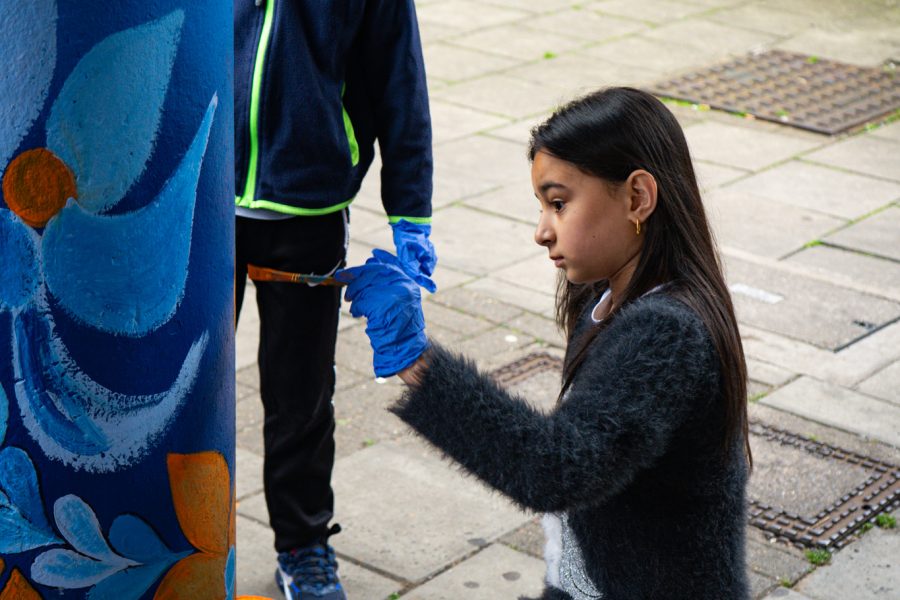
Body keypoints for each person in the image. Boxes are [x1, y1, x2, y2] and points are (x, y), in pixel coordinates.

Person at [338, 87, 752, 599]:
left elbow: (555, 468)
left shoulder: (668, 333)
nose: (541, 231)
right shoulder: (607, 300)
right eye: (542, 206)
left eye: (559, 204)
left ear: (637, 197)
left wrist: (415, 359)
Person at [233, 1, 436, 599]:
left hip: (308, 207)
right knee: (183, 386)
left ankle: (303, 545)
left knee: (300, 396)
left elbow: (400, 80)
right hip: (198, 194)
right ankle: (172, 534)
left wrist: (410, 210)